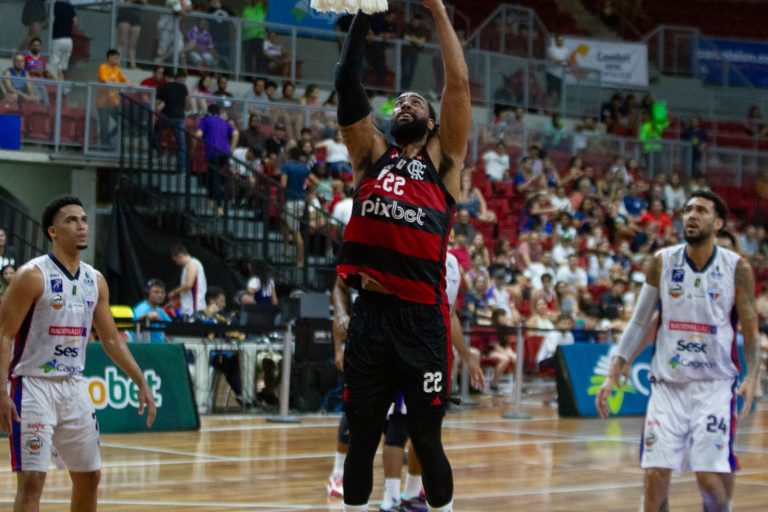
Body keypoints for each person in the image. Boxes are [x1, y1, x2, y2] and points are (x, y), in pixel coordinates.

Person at [333, 1, 471, 510]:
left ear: (433, 122)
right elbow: (346, 81)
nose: (406, 104)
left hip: (421, 320)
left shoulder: (444, 160)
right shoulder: (370, 154)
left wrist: (436, 9)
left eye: (417, 102)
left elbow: (458, 86)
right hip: (371, 316)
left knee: (427, 439)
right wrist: (365, 10)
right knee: (362, 439)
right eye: (400, 101)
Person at [596, 190, 761, 512]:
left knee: (709, 481)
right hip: (667, 386)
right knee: (655, 475)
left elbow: (752, 332)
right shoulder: (663, 261)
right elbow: (640, 321)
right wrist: (613, 371)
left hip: (714, 386)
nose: (692, 215)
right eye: (687, 210)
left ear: (718, 223)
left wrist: (752, 376)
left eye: (701, 210)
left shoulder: (736, 267)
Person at [0, 195, 157, 512]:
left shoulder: (95, 280)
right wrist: (1, 390)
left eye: (83, 219)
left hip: (74, 387)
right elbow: (3, 334)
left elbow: (111, 339)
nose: (81, 225)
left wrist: (140, 380)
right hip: (32, 387)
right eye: (71, 220)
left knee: (90, 478)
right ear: (53, 231)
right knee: (32, 481)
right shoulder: (32, 275)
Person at [195, 102, 239, 215]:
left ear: (208, 112)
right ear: (219, 112)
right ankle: (210, 199)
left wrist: (193, 148)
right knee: (211, 175)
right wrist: (231, 150)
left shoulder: (205, 120)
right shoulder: (224, 121)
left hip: (212, 152)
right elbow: (236, 133)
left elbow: (198, 134)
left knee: (215, 179)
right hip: (225, 152)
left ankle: (219, 207)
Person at [97, 49, 134, 148]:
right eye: (116, 58)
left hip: (114, 103)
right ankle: (105, 146)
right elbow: (106, 81)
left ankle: (107, 138)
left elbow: (126, 80)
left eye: (119, 58)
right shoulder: (103, 67)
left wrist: (129, 83)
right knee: (104, 126)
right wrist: (122, 83)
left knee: (124, 123)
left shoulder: (117, 69)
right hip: (103, 103)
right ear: (110, 57)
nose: (118, 60)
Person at [155, 69, 189, 171]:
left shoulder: (163, 88)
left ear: (166, 77)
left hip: (167, 116)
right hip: (179, 117)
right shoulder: (183, 87)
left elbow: (158, 104)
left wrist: (157, 111)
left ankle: (160, 152)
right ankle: (182, 168)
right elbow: (186, 102)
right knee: (181, 144)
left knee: (156, 131)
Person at [169, 244, 208, 317]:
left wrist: (174, 292)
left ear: (179, 256)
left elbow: (188, 285)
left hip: (194, 308)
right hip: (189, 309)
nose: (176, 263)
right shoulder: (187, 266)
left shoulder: (192, 264)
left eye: (175, 260)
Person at [133, 278, 172, 343]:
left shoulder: (159, 310)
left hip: (159, 346)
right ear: (148, 293)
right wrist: (146, 316)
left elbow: (171, 325)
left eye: (162, 292)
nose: (160, 295)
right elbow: (137, 320)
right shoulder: (142, 307)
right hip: (145, 346)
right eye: (156, 292)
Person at [50, 0, 77, 80]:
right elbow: (75, 22)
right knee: (62, 67)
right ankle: (61, 84)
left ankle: (55, 84)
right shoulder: (70, 7)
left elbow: (52, 20)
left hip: (57, 39)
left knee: (54, 66)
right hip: (68, 40)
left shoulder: (53, 6)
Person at [116, 0, 147, 69]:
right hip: (124, 16)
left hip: (136, 17)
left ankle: (133, 64)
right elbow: (120, 3)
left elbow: (145, 3)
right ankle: (116, 63)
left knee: (133, 44)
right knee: (122, 41)